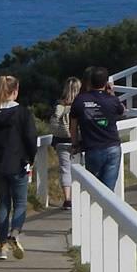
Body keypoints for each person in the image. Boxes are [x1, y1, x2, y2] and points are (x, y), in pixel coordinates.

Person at [0, 74, 38, 260]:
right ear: (15, 91)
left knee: (3, 204)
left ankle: (2, 247)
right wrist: (31, 157)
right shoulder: (23, 113)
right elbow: (30, 138)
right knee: (20, 203)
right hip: (18, 164)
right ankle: (15, 233)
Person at [70, 66, 126, 190]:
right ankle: (105, 209)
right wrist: (112, 93)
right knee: (108, 190)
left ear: (90, 81)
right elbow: (122, 111)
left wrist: (75, 144)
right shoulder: (112, 100)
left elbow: (73, 126)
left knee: (94, 188)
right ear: (106, 83)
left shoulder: (80, 100)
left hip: (92, 148)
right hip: (112, 147)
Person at [51, 76, 81, 208]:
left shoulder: (59, 105)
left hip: (61, 141)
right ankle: (80, 196)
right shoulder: (80, 105)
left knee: (65, 170)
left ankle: (67, 199)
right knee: (81, 169)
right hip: (78, 141)